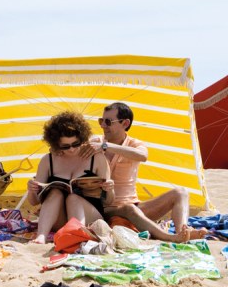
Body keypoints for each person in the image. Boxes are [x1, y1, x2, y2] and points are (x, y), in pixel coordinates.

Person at [80, 101, 208, 242]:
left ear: (125, 123)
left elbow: (143, 156)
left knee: (181, 192)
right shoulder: (96, 142)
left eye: (108, 122)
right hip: (105, 209)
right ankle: (169, 237)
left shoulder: (133, 144)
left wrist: (106, 146)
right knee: (129, 209)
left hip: (135, 207)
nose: (103, 126)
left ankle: (183, 231)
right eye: (101, 121)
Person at [27, 112, 114, 244]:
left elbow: (108, 202)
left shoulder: (96, 158)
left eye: (76, 144)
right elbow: (34, 202)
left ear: (82, 138)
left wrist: (110, 189)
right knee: (55, 193)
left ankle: (77, 235)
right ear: (56, 144)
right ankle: (41, 237)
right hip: (60, 219)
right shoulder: (48, 160)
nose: (72, 149)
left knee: (73, 198)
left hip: (90, 217)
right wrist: (32, 189)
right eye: (65, 146)